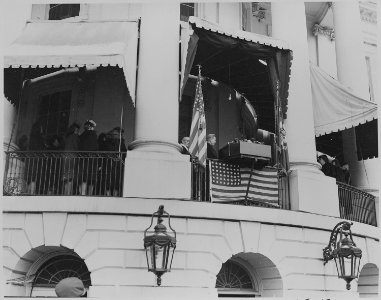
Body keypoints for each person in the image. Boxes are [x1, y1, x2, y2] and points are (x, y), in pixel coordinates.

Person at [78, 120, 98, 195]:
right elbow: (95, 147)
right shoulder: (93, 135)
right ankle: (88, 194)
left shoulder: (83, 135)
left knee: (84, 178)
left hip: (84, 159)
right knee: (89, 178)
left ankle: (82, 193)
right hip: (91, 160)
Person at [63, 123, 81, 195]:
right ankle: (69, 194)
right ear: (75, 130)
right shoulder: (75, 137)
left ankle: (65, 193)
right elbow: (77, 146)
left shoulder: (67, 137)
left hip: (66, 158)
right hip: (73, 158)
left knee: (66, 178)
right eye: (77, 129)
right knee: (71, 177)